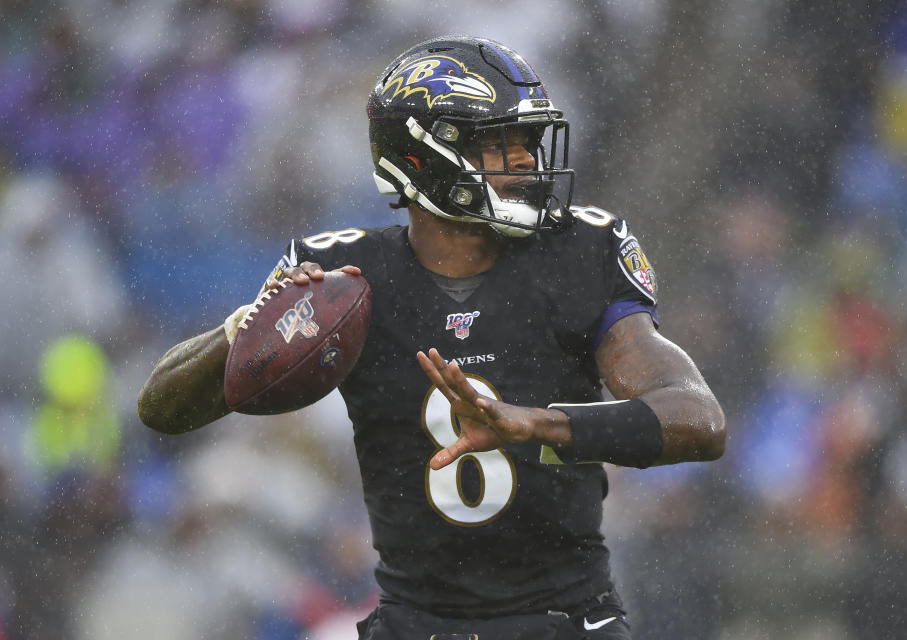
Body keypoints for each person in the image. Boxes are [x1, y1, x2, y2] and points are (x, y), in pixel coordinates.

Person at [139, 35, 726, 640]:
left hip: (566, 620)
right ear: (424, 156)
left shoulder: (581, 253)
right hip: (413, 624)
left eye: (529, 141)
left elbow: (700, 420)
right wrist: (254, 321)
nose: (527, 160)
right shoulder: (343, 281)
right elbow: (161, 407)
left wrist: (539, 424)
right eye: (502, 142)